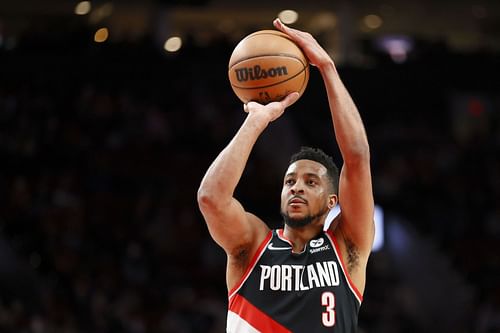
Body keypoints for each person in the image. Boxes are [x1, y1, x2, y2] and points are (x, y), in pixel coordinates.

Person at [197, 18, 374, 333]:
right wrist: (256, 121)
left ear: (333, 200)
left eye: (311, 182)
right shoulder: (251, 245)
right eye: (289, 181)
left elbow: (357, 157)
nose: (297, 188)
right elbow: (211, 198)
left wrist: (327, 68)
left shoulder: (347, 247)